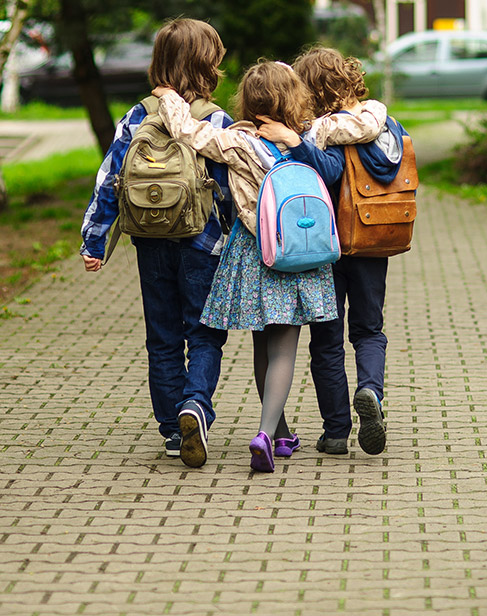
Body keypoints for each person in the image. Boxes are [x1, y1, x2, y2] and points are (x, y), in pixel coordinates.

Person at [149, 60, 386, 472]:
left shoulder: (237, 142)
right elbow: (365, 125)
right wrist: (373, 107)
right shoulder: (314, 132)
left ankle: (277, 433)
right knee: (283, 351)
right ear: (295, 96)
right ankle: (265, 432)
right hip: (299, 250)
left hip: (254, 252)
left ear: (247, 100)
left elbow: (187, 132)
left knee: (263, 342)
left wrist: (170, 97)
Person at [80, 19, 233, 469]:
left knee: (162, 337)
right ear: (207, 65)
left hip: (149, 239)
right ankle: (195, 407)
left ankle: (171, 430)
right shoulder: (213, 120)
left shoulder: (136, 115)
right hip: (203, 244)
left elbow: (109, 181)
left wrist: (94, 241)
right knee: (203, 334)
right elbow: (227, 188)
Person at [258, 46, 408, 457]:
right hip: (375, 238)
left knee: (326, 340)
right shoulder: (385, 124)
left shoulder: (325, 131)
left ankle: (337, 432)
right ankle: (370, 391)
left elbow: (328, 172)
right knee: (369, 330)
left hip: (328, 245)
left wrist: (296, 143)